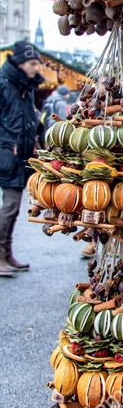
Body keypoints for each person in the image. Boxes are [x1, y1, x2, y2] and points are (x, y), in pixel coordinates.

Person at [0, 41, 43, 277]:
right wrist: (7, 145)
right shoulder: (4, 85)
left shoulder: (26, 88)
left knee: (13, 208)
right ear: (20, 63)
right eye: (32, 63)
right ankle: (0, 256)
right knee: (9, 207)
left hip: (22, 155)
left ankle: (7, 254)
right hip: (8, 154)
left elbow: (32, 120)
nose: (36, 67)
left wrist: (39, 138)